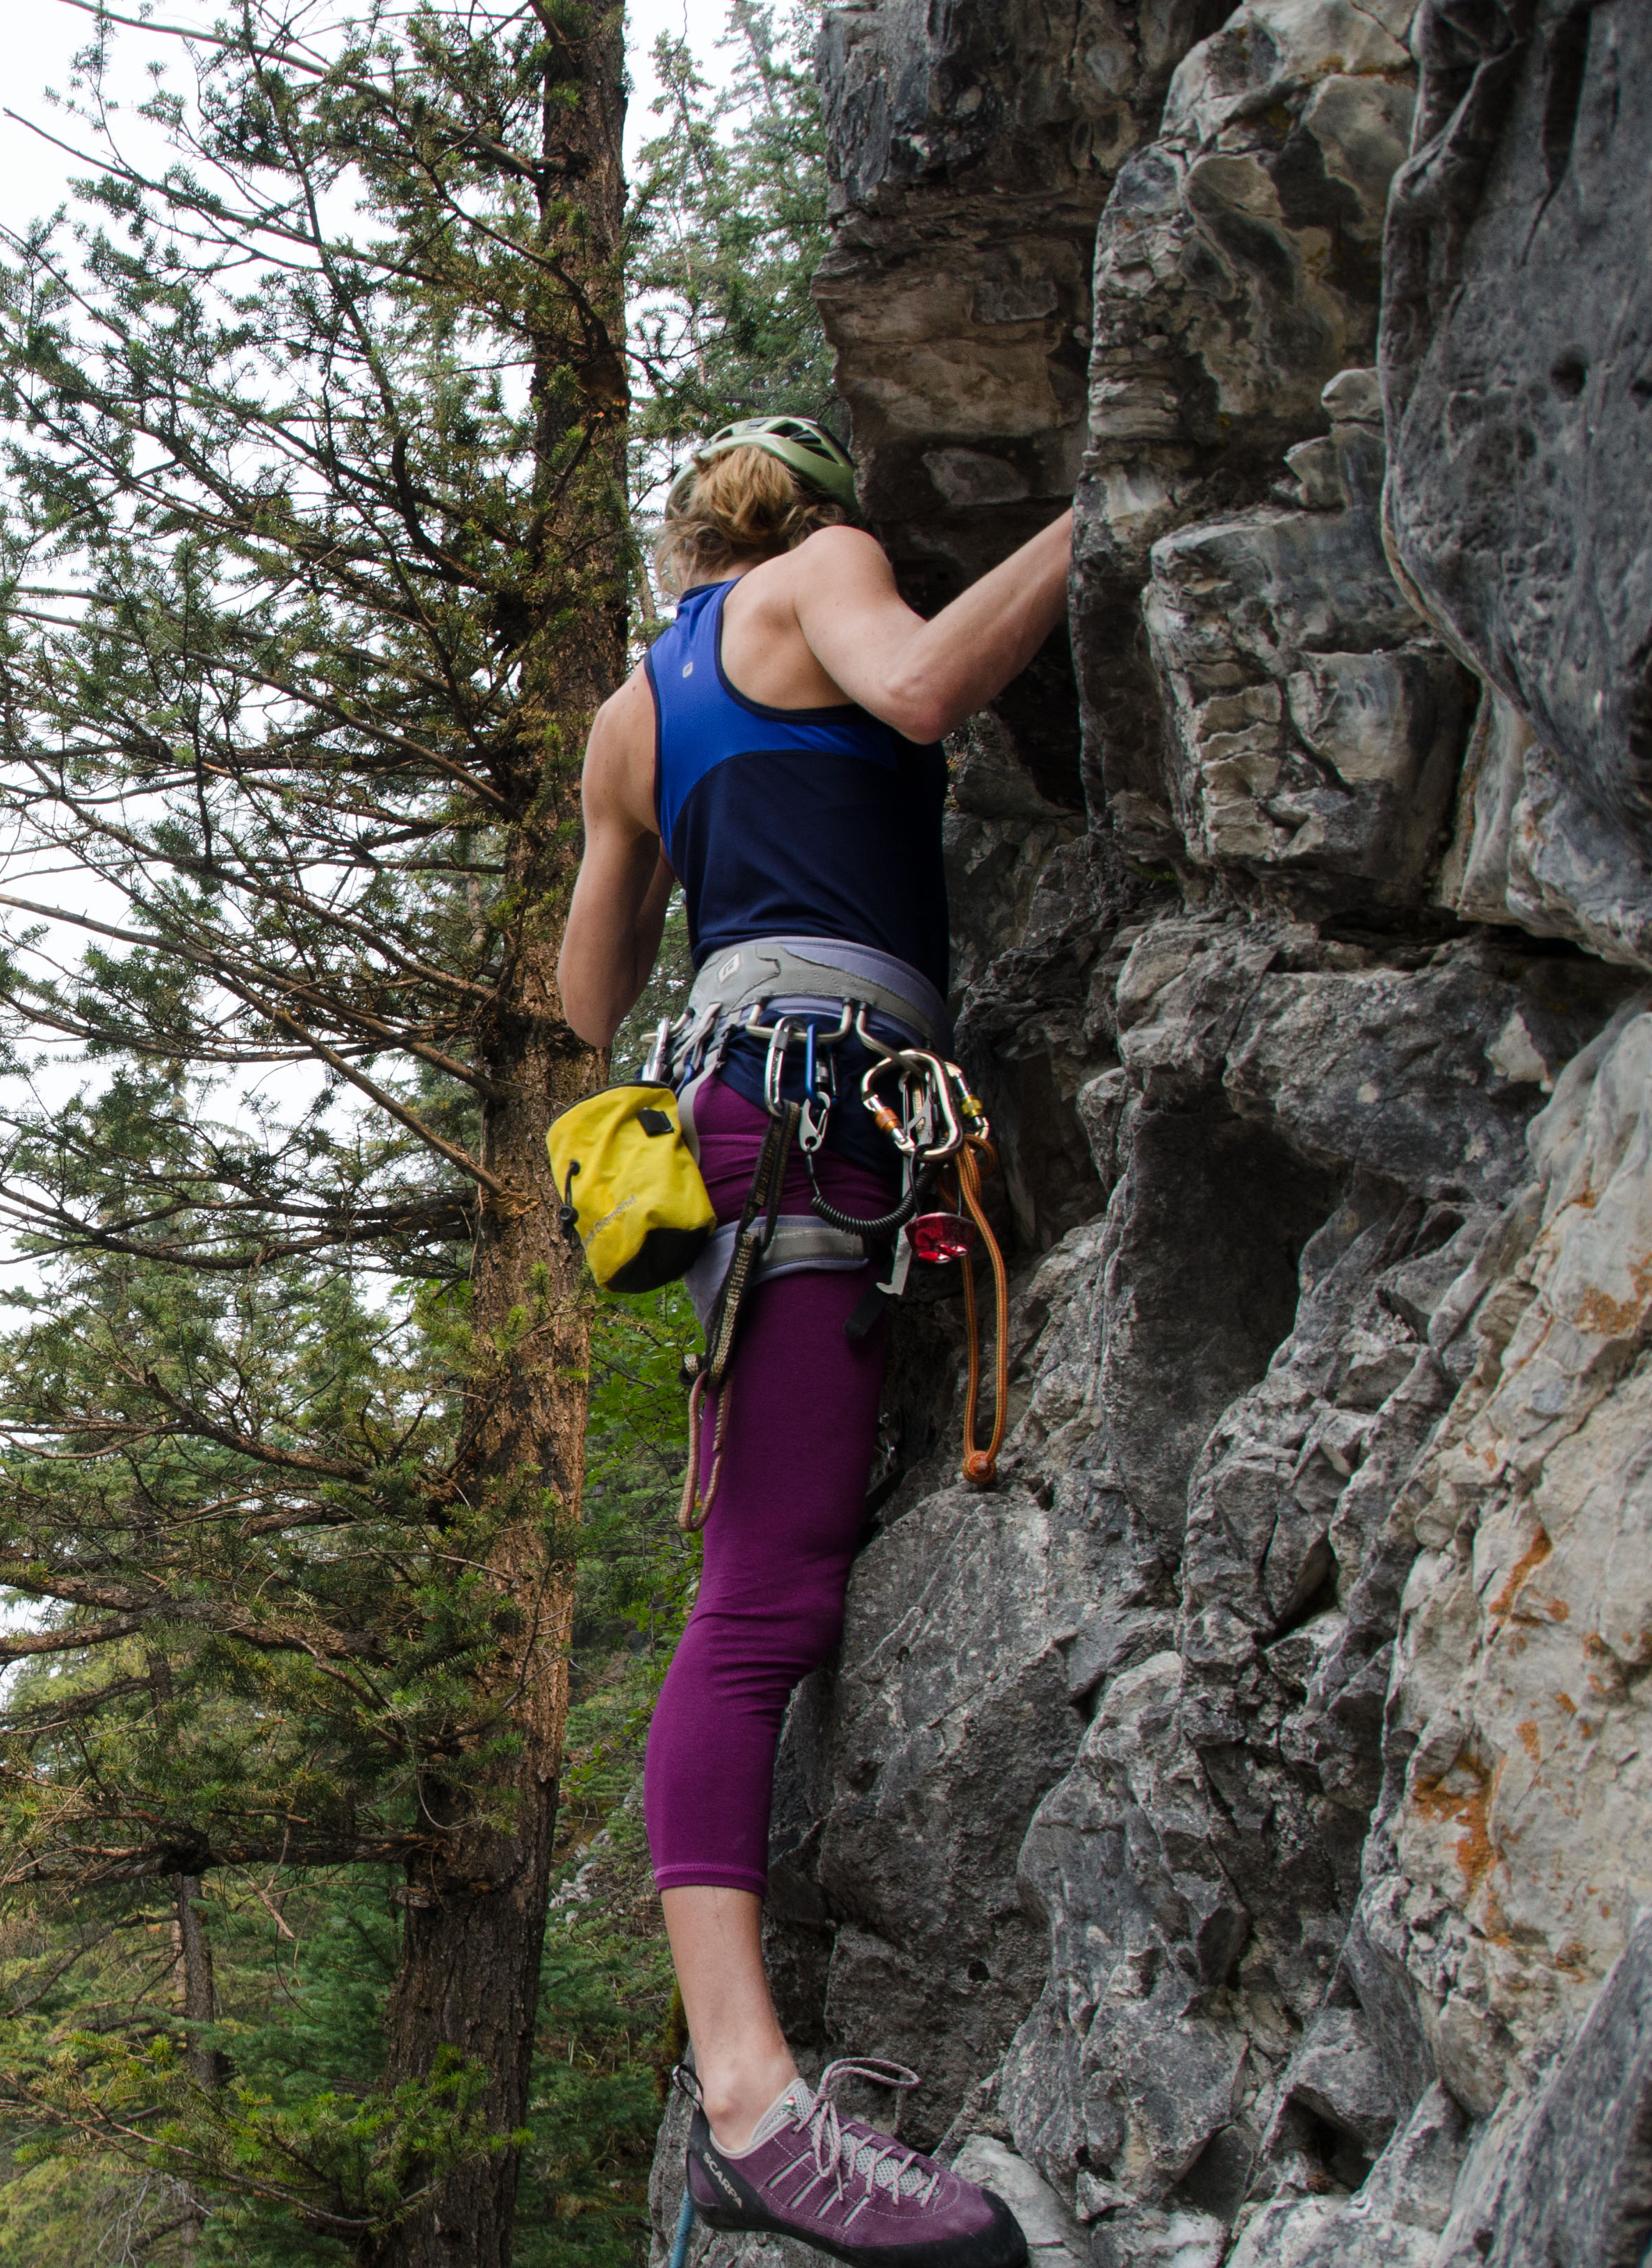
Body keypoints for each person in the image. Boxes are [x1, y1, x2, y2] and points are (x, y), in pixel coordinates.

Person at [559, 415, 1069, 2267]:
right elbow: (923, 691)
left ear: (679, 531)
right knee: (759, 1602)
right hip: (825, 1109)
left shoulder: (639, 702)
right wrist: (1106, 512)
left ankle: (746, 2095)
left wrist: (649, 804)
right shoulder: (823, 577)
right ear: (800, 512)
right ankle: (753, 2105)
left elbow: (588, 990)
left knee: (765, 1580)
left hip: (743, 1115)